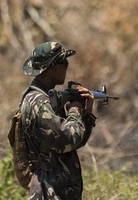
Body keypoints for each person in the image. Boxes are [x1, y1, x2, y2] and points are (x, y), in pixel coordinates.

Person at [19, 41, 97, 200]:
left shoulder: (47, 99)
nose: (67, 66)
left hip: (58, 191)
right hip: (49, 191)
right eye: (64, 63)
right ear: (55, 69)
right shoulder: (40, 104)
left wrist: (87, 114)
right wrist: (75, 110)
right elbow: (67, 139)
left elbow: (76, 142)